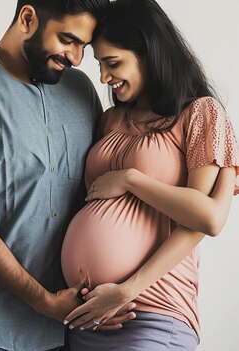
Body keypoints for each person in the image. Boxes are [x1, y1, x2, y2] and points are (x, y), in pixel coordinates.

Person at [0, 1, 137, 350]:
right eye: (68, 39)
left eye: (84, 46)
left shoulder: (81, 90)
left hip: (75, 330)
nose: (77, 57)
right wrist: (43, 301)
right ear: (27, 18)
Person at [58, 0, 239, 350]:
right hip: (87, 315)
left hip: (151, 312)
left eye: (113, 63)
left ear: (150, 53)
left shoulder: (200, 113)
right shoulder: (110, 120)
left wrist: (130, 179)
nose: (104, 78)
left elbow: (199, 220)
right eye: (100, 65)